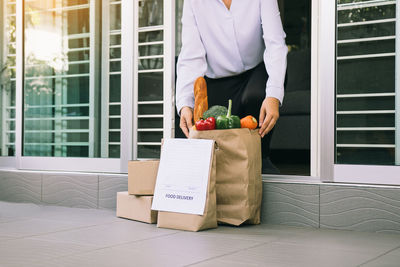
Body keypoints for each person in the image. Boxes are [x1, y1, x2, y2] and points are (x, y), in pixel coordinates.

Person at [176, 0, 288, 173]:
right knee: (196, 120)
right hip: (218, 80)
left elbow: (275, 43)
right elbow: (191, 56)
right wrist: (185, 104)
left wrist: (273, 95)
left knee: (256, 96)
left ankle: (261, 158)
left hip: (257, 71)